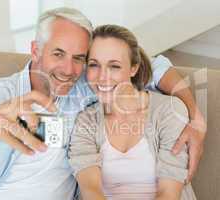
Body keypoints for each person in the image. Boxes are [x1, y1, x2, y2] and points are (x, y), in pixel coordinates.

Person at [0, 7, 204, 200]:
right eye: (58, 53)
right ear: (35, 49)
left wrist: (195, 118)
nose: (69, 69)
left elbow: (153, 66)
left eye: (79, 58)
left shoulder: (90, 87)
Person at [68, 25, 197, 200]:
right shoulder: (86, 120)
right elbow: (91, 191)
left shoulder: (169, 111)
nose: (102, 76)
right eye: (94, 65)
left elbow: (169, 193)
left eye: (114, 66)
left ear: (133, 68)